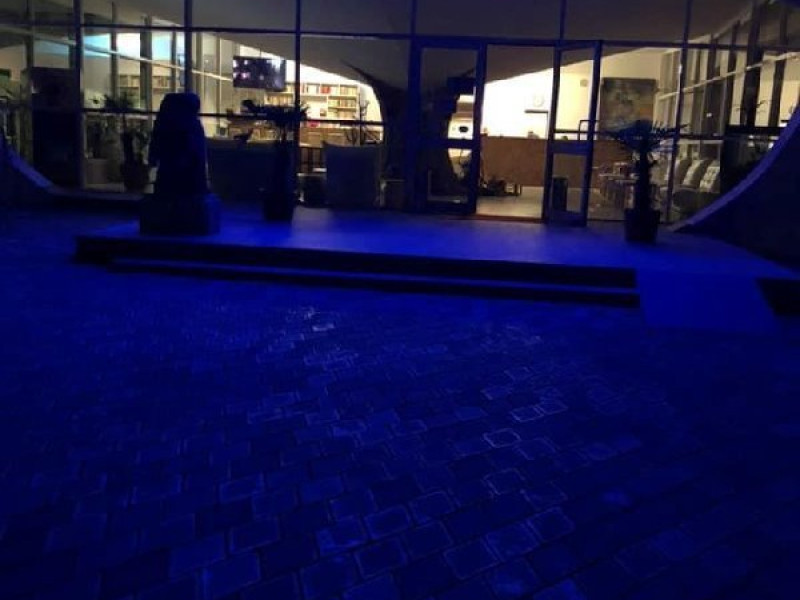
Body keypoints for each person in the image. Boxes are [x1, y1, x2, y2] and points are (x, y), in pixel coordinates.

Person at [149, 93, 208, 198]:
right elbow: (198, 155)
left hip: (170, 179)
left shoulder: (164, 124)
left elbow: (155, 150)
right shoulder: (193, 126)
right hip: (189, 182)